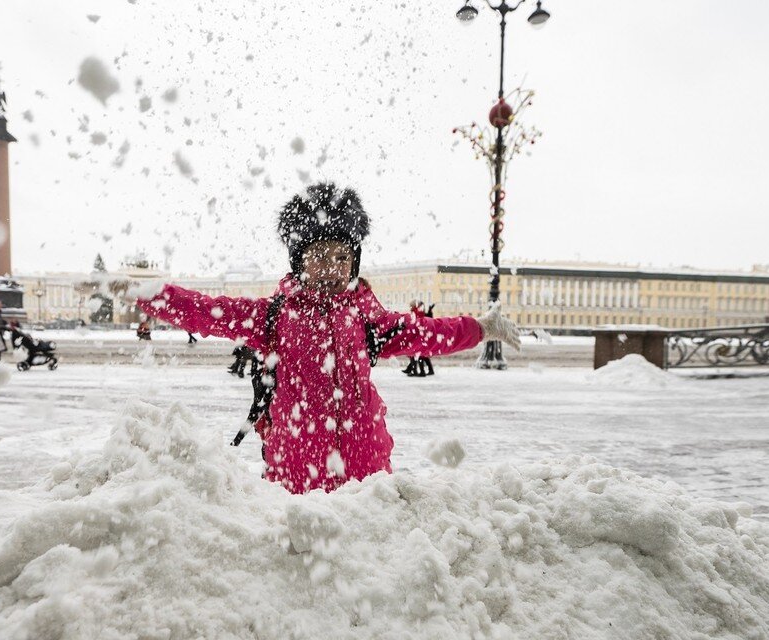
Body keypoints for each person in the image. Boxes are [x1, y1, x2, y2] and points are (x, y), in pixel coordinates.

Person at [136, 182, 521, 494]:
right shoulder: (274, 316)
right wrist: (142, 293)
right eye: (319, 255)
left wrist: (482, 328)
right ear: (298, 260)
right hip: (297, 476)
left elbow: (427, 333)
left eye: (342, 257)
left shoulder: (367, 319)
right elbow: (205, 310)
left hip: (367, 476)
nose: (332, 268)